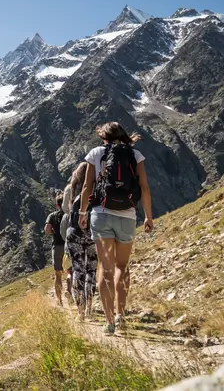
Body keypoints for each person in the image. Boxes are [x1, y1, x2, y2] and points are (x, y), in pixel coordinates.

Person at [79, 122, 153, 335]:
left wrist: (83, 213)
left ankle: (109, 321)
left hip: (101, 215)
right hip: (127, 216)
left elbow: (87, 186)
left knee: (105, 267)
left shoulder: (96, 153)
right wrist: (148, 216)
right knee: (122, 266)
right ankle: (121, 315)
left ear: (104, 137)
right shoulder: (135, 155)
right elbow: (144, 187)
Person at [64, 162, 98, 321]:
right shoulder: (97, 187)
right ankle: (90, 307)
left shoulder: (71, 189)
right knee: (91, 270)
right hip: (92, 233)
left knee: (78, 270)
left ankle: (80, 311)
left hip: (74, 233)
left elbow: (66, 209)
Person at [45, 194, 66, 306]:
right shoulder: (69, 214)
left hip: (57, 246)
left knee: (58, 275)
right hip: (69, 246)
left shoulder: (52, 216)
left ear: (57, 204)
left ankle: (59, 300)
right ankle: (70, 293)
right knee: (71, 272)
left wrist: (54, 232)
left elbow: (47, 230)